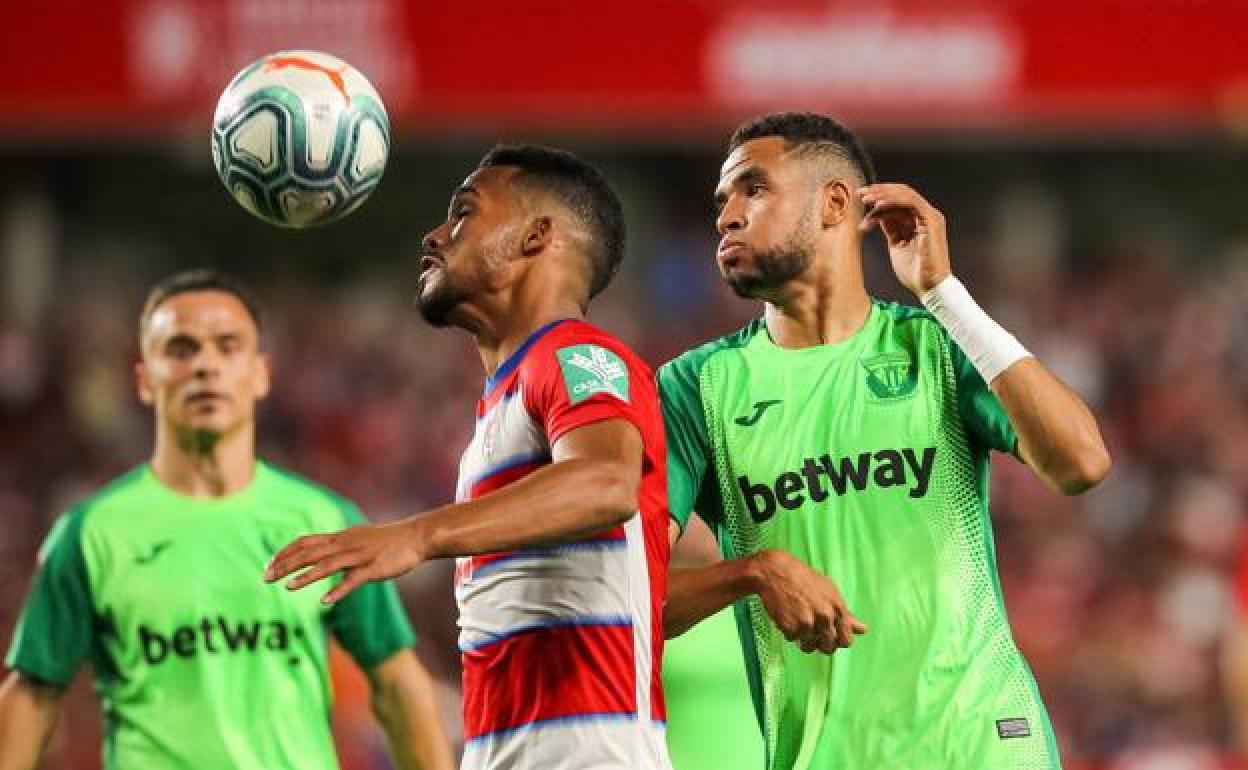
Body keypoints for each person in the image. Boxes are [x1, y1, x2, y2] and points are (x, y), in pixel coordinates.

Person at [659, 112, 1111, 769]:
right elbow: (633, 599)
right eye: (722, 200)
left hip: (980, 742)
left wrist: (944, 294)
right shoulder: (696, 387)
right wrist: (754, 573)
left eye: (753, 190)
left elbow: (1082, 463)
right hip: (824, 755)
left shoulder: (934, 345)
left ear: (833, 202)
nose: (726, 215)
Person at [265, 145, 674, 770]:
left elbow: (605, 483)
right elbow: (644, 583)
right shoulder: (502, 403)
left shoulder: (576, 354)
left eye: (463, 213)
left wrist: (421, 534)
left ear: (538, 236)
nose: (434, 236)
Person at [0, 270, 453, 770]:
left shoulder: (324, 520)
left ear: (260, 374)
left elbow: (396, 682)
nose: (205, 367)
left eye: (227, 346)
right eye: (180, 349)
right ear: (144, 380)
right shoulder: (91, 533)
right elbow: (34, 694)